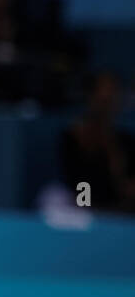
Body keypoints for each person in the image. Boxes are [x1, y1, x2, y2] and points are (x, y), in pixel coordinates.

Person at [59, 72, 135, 214]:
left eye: (112, 98)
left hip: (120, 210)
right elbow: (79, 182)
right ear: (91, 98)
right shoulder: (74, 137)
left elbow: (127, 184)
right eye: (103, 99)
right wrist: (86, 206)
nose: (107, 104)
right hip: (85, 208)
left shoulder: (125, 141)